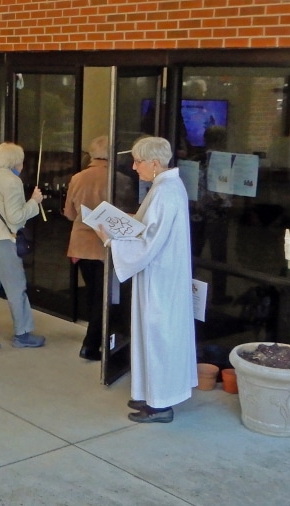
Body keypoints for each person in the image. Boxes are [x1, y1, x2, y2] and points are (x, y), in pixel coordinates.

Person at [99, 136, 196, 424]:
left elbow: (150, 241)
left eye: (138, 161)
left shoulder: (165, 192)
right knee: (153, 335)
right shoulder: (166, 187)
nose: (133, 166)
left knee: (158, 336)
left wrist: (111, 241)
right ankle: (150, 395)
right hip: (160, 275)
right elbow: (150, 229)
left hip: (160, 278)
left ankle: (161, 404)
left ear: (154, 163)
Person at [0, 142, 45, 354]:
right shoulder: (12, 181)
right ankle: (22, 335)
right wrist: (34, 202)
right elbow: (15, 218)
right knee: (16, 288)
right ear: (15, 161)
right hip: (2, 241)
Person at [63, 135, 110, 361]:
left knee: (92, 292)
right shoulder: (118, 179)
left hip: (80, 245)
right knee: (104, 296)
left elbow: (69, 213)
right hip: (105, 247)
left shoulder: (78, 178)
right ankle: (91, 344)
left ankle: (93, 339)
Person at [189, 126, 232, 305]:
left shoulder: (194, 160)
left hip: (196, 214)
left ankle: (187, 291)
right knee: (219, 256)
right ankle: (219, 296)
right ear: (222, 140)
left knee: (193, 255)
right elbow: (224, 193)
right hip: (217, 215)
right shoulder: (225, 162)